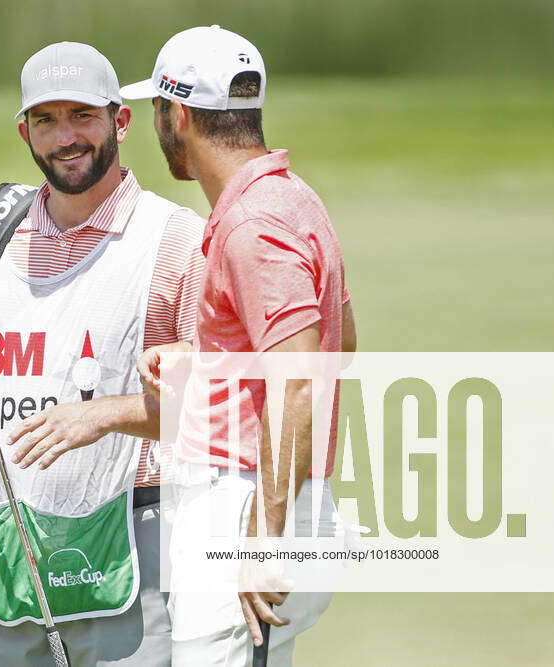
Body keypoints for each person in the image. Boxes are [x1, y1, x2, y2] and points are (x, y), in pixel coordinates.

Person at [0, 42, 206, 666]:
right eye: (45, 120)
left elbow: (221, 400)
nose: (65, 137)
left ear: (121, 121)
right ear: (24, 130)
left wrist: (104, 414)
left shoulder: (175, 236)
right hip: (2, 549)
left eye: (82, 116)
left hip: (132, 546)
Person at [121, 25, 357, 666]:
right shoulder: (292, 198)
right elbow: (339, 340)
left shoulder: (253, 223)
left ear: (180, 115)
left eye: (156, 111)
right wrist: (203, 366)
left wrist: (265, 535)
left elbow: (301, 377)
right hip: (267, 498)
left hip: (244, 505)